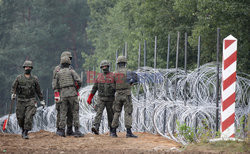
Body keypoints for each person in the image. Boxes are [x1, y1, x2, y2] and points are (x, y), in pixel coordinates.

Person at [11, 60, 45, 139]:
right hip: (21, 100)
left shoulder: (34, 79)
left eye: (29, 67)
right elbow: (14, 87)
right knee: (20, 117)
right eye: (26, 67)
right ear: (24, 68)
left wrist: (42, 100)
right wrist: (13, 94)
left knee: (28, 117)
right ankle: (23, 129)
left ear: (31, 68)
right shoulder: (19, 78)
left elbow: (38, 90)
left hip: (31, 100)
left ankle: (26, 132)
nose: (27, 68)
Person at [54, 56, 83, 137]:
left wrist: (58, 94)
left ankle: (62, 131)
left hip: (63, 94)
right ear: (69, 63)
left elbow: (55, 85)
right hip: (72, 93)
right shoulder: (72, 71)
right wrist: (76, 88)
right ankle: (77, 130)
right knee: (75, 112)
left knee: (63, 112)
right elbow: (79, 81)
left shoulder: (58, 73)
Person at [110, 56, 138, 138]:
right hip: (127, 94)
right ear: (125, 63)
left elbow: (112, 86)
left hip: (118, 94)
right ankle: (128, 132)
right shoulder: (129, 72)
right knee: (128, 112)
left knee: (116, 112)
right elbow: (134, 81)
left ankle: (113, 132)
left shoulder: (114, 73)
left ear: (118, 64)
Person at [87, 60, 115, 135]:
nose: (104, 68)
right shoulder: (99, 77)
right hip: (101, 99)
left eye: (105, 66)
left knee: (111, 115)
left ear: (108, 67)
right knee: (98, 113)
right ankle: (96, 127)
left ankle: (112, 130)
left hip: (110, 99)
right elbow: (94, 88)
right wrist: (90, 97)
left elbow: (117, 88)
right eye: (103, 66)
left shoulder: (113, 76)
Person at [52, 51, 75, 136]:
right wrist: (56, 94)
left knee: (70, 111)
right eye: (68, 58)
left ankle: (69, 129)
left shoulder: (70, 69)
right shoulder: (57, 69)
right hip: (60, 92)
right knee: (60, 111)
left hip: (70, 92)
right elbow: (55, 82)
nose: (69, 59)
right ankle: (59, 128)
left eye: (70, 58)